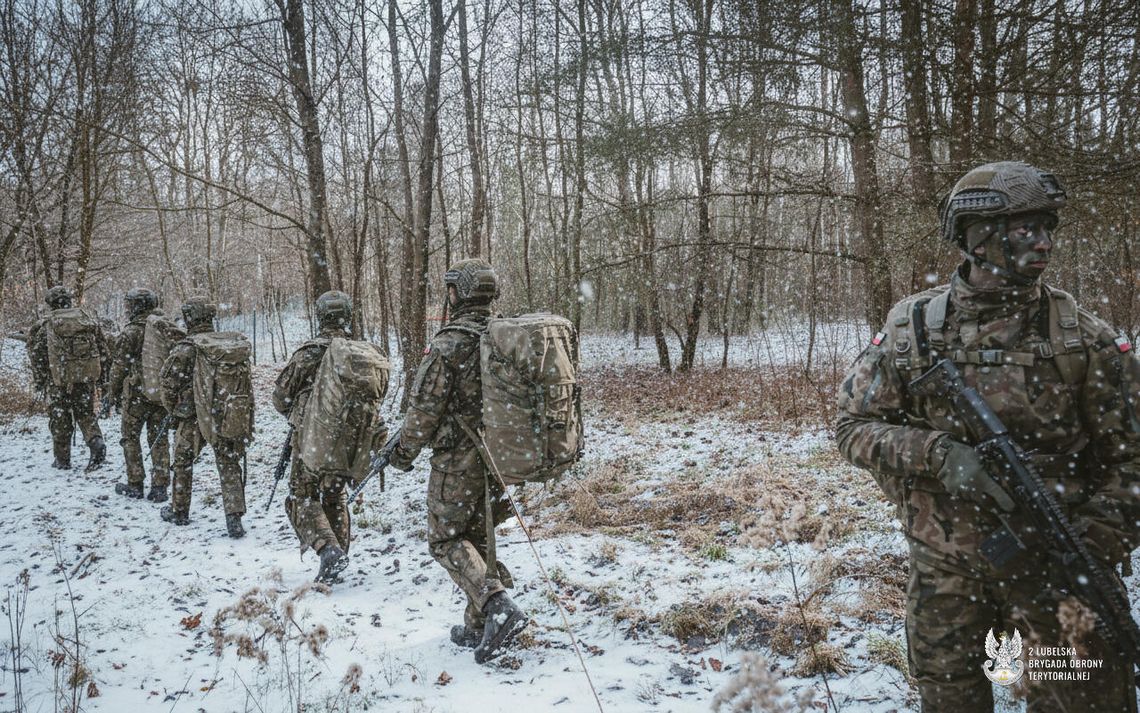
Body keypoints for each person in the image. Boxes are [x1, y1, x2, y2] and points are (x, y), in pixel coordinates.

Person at [836, 161, 1140, 712]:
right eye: (1026, 229)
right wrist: (936, 453)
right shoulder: (914, 329)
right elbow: (853, 428)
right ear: (976, 236)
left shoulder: (1082, 337)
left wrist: (1091, 544)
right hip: (946, 576)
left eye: (1048, 228)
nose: (1044, 243)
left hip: (1060, 572)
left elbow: (1133, 460)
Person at [388, 258, 528, 664]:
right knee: (478, 536)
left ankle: (496, 606)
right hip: (499, 455)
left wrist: (402, 452)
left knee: (446, 538)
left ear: (459, 293)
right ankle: (477, 625)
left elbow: (423, 412)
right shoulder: (503, 337)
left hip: (458, 458)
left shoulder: (450, 343)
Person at [273, 290, 388, 583]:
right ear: (348, 317)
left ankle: (328, 551)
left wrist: (303, 415)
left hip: (311, 441)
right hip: (350, 444)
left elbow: (280, 397)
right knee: (335, 495)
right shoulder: (365, 354)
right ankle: (338, 555)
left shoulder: (309, 353)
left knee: (302, 497)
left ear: (320, 316)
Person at [159, 295, 252, 538]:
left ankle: (179, 510)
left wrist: (175, 410)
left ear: (190, 318)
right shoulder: (229, 345)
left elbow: (167, 385)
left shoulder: (187, 348)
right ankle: (234, 518)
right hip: (226, 412)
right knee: (229, 462)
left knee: (182, 460)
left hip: (192, 417)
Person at [27, 285, 109, 472]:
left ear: (51, 303)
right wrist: (100, 377)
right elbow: (103, 350)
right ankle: (96, 443)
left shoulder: (45, 325)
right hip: (84, 379)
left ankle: (62, 459)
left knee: (60, 418)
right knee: (85, 414)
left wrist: (40, 380)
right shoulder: (86, 320)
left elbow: (37, 356)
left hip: (57, 381)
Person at [108, 288, 171, 501]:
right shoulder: (164, 327)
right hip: (160, 394)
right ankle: (160, 487)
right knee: (159, 439)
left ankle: (135, 483)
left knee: (130, 438)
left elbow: (119, 367)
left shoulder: (130, 332)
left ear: (135, 306)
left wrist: (112, 393)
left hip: (136, 395)